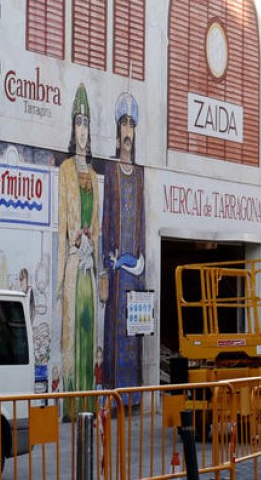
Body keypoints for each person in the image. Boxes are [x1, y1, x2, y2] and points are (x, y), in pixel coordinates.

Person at [57, 84, 100, 404]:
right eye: (78, 123)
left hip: (89, 269)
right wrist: (59, 280)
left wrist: (90, 237)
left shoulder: (95, 176)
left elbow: (96, 228)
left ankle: (87, 400)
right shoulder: (65, 170)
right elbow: (61, 228)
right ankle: (73, 405)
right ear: (73, 128)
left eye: (86, 123)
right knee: (72, 335)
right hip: (73, 266)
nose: (82, 130)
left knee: (89, 331)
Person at [102, 92, 145, 391]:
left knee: (135, 331)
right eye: (124, 125)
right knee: (116, 331)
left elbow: (141, 218)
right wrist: (110, 257)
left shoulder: (141, 175)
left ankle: (133, 394)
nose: (127, 131)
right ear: (118, 134)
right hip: (118, 272)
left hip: (135, 272)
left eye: (131, 125)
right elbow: (106, 218)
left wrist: (139, 259)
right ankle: (115, 392)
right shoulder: (110, 170)